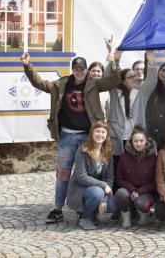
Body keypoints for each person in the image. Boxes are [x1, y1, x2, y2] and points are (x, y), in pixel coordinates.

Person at [22, 47, 122, 225]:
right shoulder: (61, 84)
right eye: (76, 68)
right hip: (67, 136)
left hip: (88, 137)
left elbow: (114, 80)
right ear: (72, 69)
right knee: (63, 173)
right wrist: (28, 66)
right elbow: (40, 84)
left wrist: (113, 62)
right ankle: (58, 209)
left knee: (87, 173)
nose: (79, 71)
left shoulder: (94, 84)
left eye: (82, 69)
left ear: (86, 70)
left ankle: (84, 208)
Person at [65, 121, 118, 230]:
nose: (100, 134)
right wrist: (103, 185)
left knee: (113, 205)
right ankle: (85, 217)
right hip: (80, 189)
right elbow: (81, 176)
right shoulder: (83, 151)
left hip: (97, 189)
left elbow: (109, 177)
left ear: (106, 135)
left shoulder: (107, 153)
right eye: (97, 131)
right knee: (97, 193)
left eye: (103, 132)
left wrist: (104, 200)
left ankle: (92, 212)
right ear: (91, 133)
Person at [115, 126, 158, 227]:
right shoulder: (124, 157)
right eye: (136, 141)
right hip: (129, 191)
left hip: (146, 192)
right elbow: (119, 179)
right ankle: (126, 216)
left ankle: (144, 215)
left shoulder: (153, 158)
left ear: (146, 141)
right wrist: (132, 190)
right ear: (131, 142)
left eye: (141, 141)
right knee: (120, 193)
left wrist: (139, 191)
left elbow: (156, 182)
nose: (138, 144)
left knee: (141, 203)